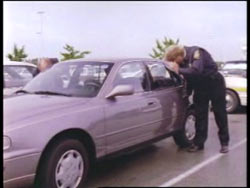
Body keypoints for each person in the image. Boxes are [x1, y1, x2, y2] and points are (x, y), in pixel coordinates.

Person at [164, 45, 230, 153]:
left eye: (175, 61)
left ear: (179, 56)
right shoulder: (182, 61)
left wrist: (179, 69)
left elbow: (196, 71)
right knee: (200, 114)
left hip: (214, 83)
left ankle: (224, 143)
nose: (176, 63)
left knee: (219, 113)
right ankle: (199, 143)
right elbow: (189, 78)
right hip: (200, 86)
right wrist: (185, 94)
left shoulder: (196, 52)